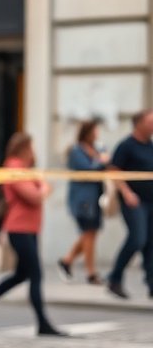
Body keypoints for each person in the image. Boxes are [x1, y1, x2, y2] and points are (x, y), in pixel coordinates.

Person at [0, 133, 66, 336]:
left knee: (22, 274)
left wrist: (42, 187)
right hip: (19, 228)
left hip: (30, 229)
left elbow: (42, 188)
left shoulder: (25, 169)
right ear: (23, 148)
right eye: (31, 147)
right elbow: (34, 195)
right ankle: (42, 323)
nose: (33, 152)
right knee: (36, 274)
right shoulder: (13, 168)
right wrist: (42, 188)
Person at [105, 109, 153, 299]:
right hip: (134, 202)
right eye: (150, 122)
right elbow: (113, 171)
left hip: (151, 201)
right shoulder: (126, 146)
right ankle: (115, 277)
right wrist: (126, 192)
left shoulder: (150, 146)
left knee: (151, 242)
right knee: (137, 238)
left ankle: (151, 283)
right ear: (139, 124)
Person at [58, 120, 106, 285]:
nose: (97, 134)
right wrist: (102, 161)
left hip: (95, 197)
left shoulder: (97, 149)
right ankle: (90, 272)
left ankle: (66, 261)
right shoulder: (76, 150)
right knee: (88, 234)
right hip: (83, 198)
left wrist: (102, 158)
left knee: (90, 233)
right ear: (88, 132)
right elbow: (88, 169)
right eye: (95, 130)